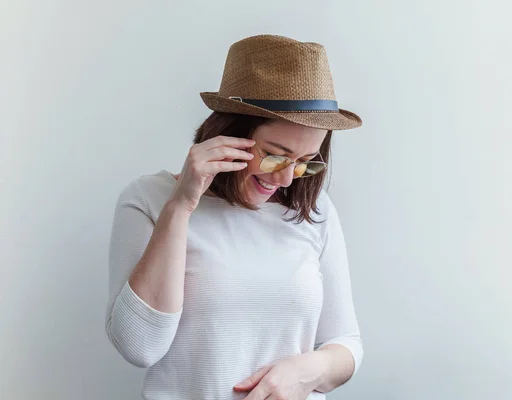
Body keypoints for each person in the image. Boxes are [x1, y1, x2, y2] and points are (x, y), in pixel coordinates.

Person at [105, 34, 364, 400]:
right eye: (275, 154)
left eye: (306, 162)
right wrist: (180, 207)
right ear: (228, 133)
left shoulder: (314, 209)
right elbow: (140, 347)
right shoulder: (150, 200)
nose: (287, 178)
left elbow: (345, 343)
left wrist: (304, 373)